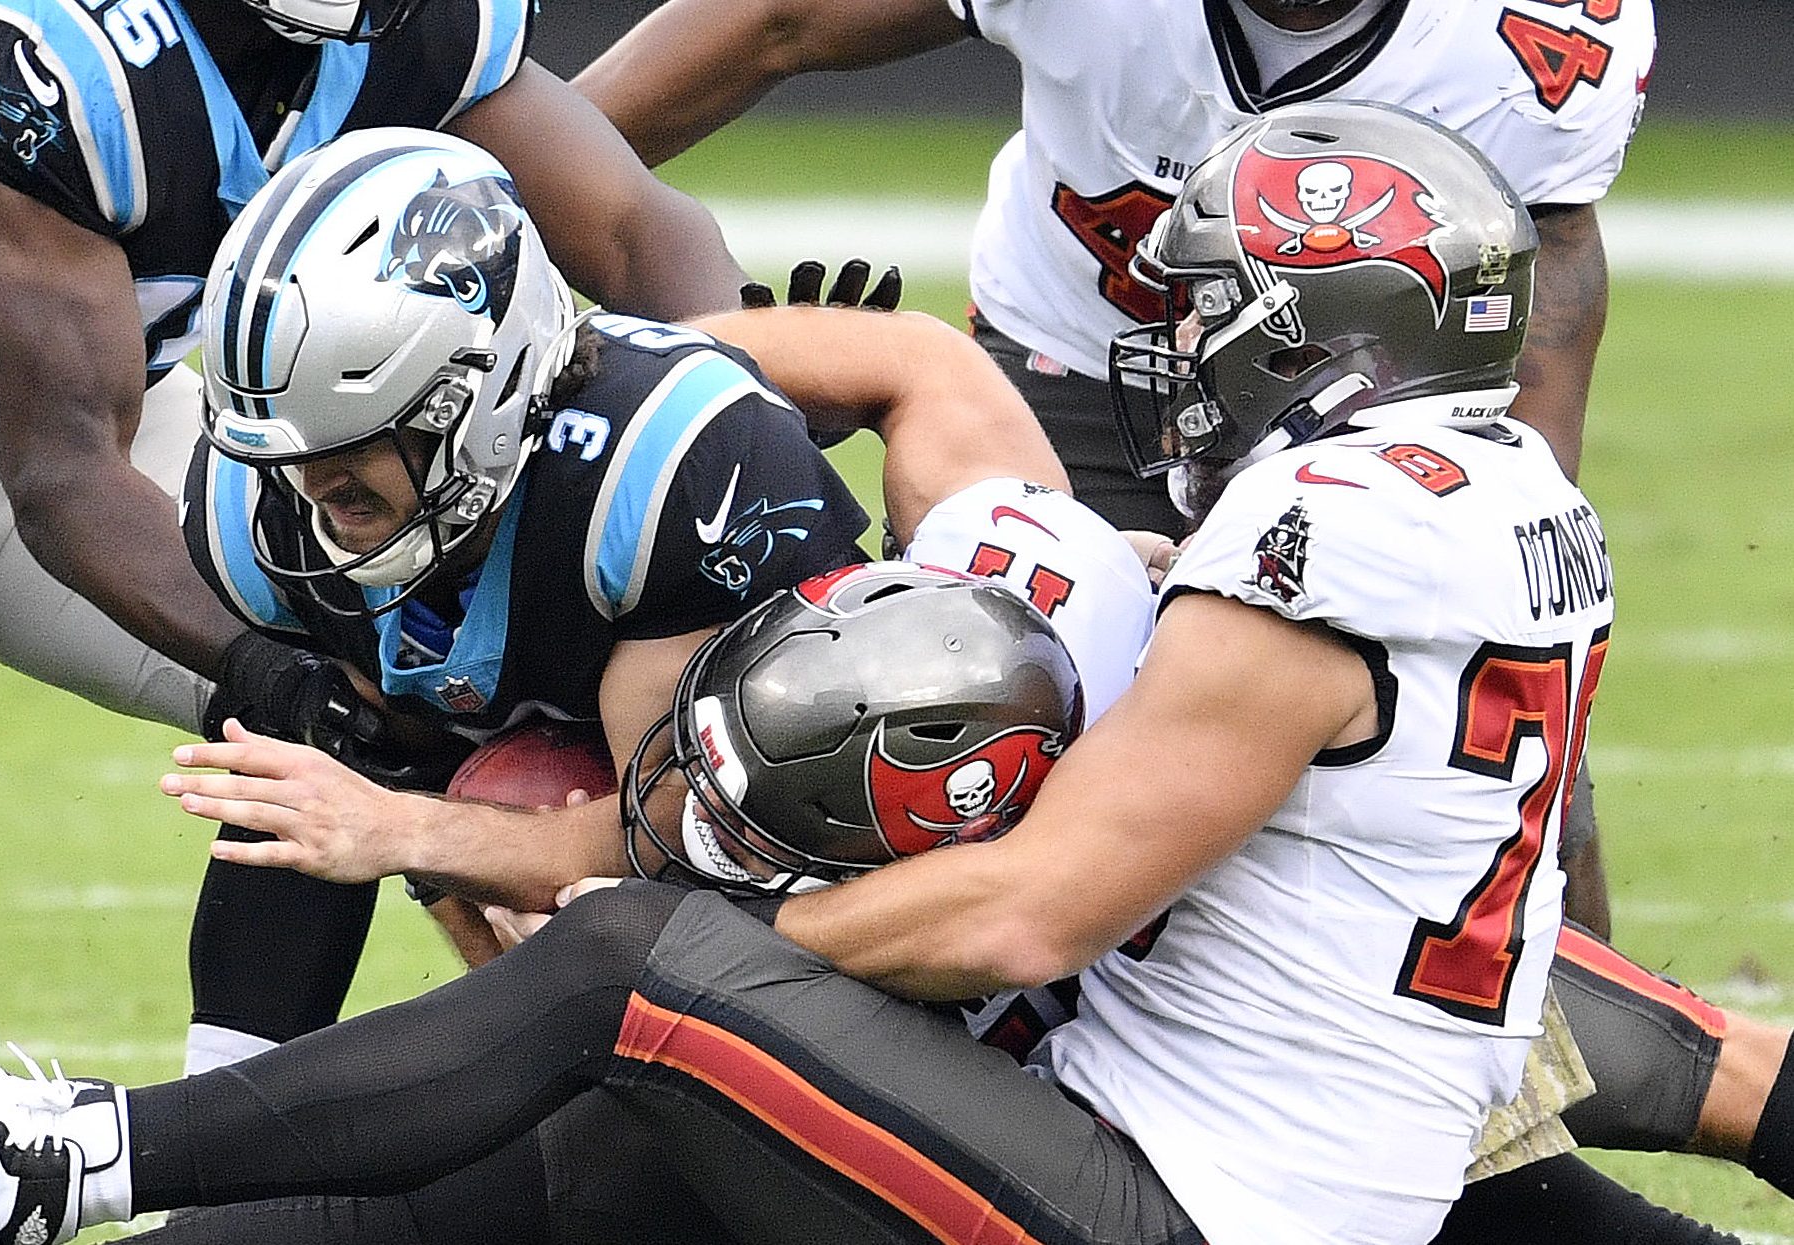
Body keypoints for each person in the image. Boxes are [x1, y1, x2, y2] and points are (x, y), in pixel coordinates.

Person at [0, 103, 1793, 1245]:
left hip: (1197, 1197)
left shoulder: (1276, 556)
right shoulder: (1474, 503)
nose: (1160, 345)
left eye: (1206, 307)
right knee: (609, 1138)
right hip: (1335, 1118)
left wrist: (718, 903)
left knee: (630, 986)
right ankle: (53, 1185)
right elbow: (1686, 1052)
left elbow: (1028, 900)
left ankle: (57, 1162)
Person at [0, 0, 752, 1140]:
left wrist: (741, 400)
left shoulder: (416, 24)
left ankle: (223, 1156)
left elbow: (641, 229)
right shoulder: (33, 49)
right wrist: (265, 667)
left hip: (105, 410)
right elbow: (65, 483)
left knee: (356, 696)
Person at [572, 0, 1650, 939]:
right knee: (955, 714)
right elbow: (777, 21)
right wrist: (513, 182)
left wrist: (1488, 557)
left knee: (1487, 778)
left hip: (1353, 407)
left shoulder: (1531, 37)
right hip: (1071, 371)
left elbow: (1540, 287)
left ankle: (1545, 1089)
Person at [176, 125, 872, 971]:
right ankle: (222, 1070)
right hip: (593, 783)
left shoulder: (653, 468)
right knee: (307, 743)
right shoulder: (257, 511)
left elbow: (678, 829)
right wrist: (416, 823)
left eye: (354, 442)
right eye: (285, 455)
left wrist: (410, 832)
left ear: (485, 391)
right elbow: (396, 770)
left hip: (791, 823)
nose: (316, 488)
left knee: (598, 919)